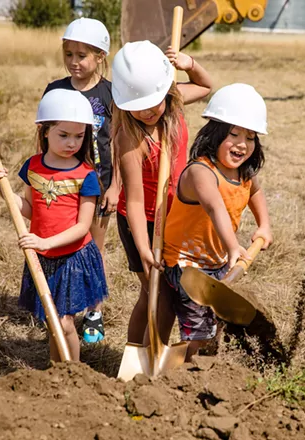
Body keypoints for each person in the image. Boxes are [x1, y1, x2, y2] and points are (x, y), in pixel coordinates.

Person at [0, 89, 107, 362]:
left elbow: (82, 227)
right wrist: (2, 190)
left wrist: (45, 242)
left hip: (73, 258)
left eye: (79, 136)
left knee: (64, 324)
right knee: (52, 324)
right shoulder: (33, 167)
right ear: (44, 132)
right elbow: (31, 211)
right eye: (63, 135)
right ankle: (57, 373)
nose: (72, 143)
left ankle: (73, 374)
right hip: (43, 258)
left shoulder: (86, 175)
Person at [111, 40, 212, 344]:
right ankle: (142, 356)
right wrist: (143, 246)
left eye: (152, 104)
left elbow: (206, 87)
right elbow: (136, 200)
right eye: (137, 107)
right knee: (158, 294)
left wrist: (189, 64)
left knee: (160, 294)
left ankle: (149, 358)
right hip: (143, 222)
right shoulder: (130, 138)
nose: (146, 112)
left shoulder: (174, 99)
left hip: (176, 216)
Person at [162, 84, 273, 358]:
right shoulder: (201, 171)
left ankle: (204, 370)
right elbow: (214, 207)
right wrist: (234, 246)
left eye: (250, 137)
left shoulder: (243, 172)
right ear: (214, 133)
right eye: (233, 134)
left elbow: (255, 191)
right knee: (198, 331)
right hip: (186, 264)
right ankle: (180, 374)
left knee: (215, 326)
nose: (242, 144)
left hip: (216, 262)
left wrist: (264, 225)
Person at [43, 18, 116, 344]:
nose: (74, 61)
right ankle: (62, 304)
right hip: (59, 186)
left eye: (82, 55)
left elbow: (120, 143)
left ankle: (94, 310)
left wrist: (116, 186)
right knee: (62, 247)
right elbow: (43, 138)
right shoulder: (55, 91)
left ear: (100, 55)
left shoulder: (111, 94)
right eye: (69, 54)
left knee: (93, 250)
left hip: (98, 185)